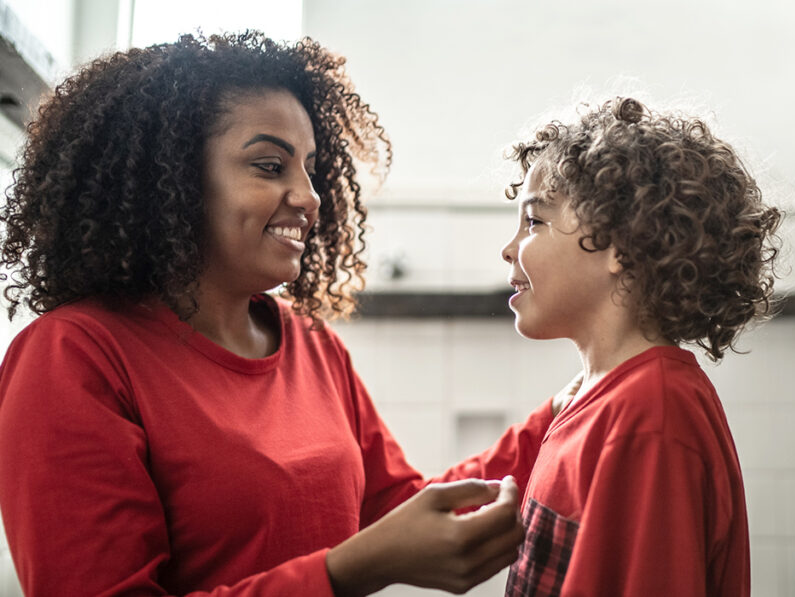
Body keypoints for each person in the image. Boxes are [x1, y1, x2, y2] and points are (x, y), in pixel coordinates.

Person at [0, 31, 564, 596]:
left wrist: (575, 401)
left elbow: (396, 505)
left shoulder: (311, 343)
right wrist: (347, 572)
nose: (310, 196)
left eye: (311, 169)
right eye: (270, 166)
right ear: (169, 181)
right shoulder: (73, 357)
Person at [499, 97, 781, 596]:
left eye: (534, 221)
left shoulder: (651, 415)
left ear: (619, 245)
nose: (509, 247)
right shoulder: (605, 399)